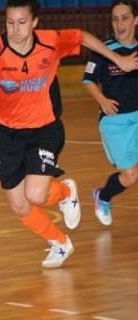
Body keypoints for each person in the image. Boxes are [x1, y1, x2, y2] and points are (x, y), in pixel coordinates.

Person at [0, 0, 138, 268]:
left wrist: (119, 59)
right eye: (10, 23)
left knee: (36, 195)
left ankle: (64, 192)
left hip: (44, 129)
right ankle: (60, 243)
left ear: (35, 22)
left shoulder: (50, 41)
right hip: (7, 134)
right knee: (19, 205)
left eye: (22, 22)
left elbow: (82, 37)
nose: (15, 29)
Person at [82, 0, 138, 226]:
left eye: (124, 18)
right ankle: (103, 197)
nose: (119, 23)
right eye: (115, 19)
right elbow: (87, 80)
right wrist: (102, 99)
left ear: (136, 20)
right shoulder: (104, 50)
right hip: (116, 122)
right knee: (131, 176)